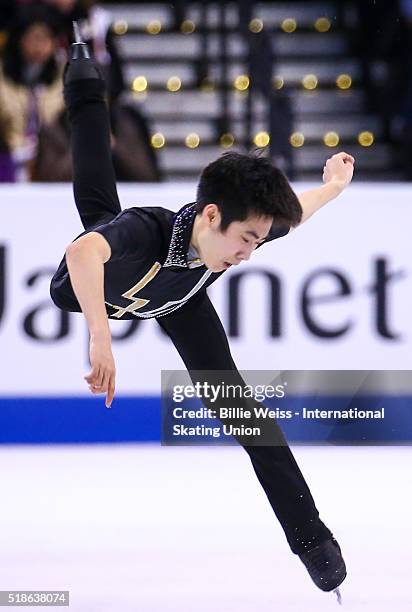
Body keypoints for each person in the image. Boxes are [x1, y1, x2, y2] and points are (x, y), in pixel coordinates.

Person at [50, 33, 354, 599]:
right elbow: (81, 254)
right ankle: (84, 77)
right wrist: (101, 337)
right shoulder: (144, 230)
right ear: (210, 215)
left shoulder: (234, 232)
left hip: (179, 298)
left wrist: (332, 187)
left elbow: (297, 215)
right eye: (244, 239)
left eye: (256, 241)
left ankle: (311, 539)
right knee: (96, 204)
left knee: (244, 414)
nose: (248, 254)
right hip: (91, 286)